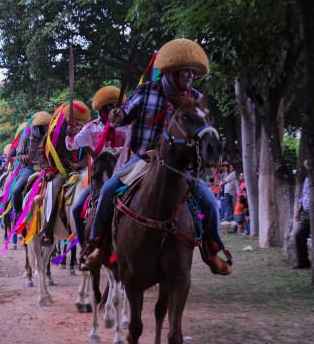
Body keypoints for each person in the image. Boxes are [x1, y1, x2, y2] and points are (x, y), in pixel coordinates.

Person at [86, 38, 228, 274]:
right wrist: (117, 117)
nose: (191, 77)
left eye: (194, 73)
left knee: (211, 203)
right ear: (172, 72)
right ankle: (97, 246)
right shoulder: (146, 90)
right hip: (143, 159)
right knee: (107, 192)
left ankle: (212, 251)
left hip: (180, 166)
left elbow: (204, 130)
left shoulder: (195, 98)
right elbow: (125, 115)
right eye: (187, 72)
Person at [65, 86, 128, 247]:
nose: (115, 110)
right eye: (111, 106)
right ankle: (85, 248)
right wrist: (70, 134)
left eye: (117, 106)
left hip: (124, 175)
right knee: (76, 209)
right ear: (103, 108)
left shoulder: (127, 126)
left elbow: (132, 146)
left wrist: (115, 151)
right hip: (98, 178)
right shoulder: (91, 127)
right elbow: (72, 145)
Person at [37, 101, 90, 246]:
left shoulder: (86, 132)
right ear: (67, 122)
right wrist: (48, 168)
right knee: (52, 192)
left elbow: (88, 154)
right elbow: (41, 152)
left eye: (80, 124)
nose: (78, 127)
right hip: (60, 171)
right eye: (75, 124)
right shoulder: (54, 133)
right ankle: (47, 231)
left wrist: (80, 163)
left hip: (81, 170)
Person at [10, 111, 52, 247]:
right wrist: (23, 158)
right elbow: (19, 154)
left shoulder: (51, 138)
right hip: (30, 169)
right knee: (16, 190)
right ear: (36, 127)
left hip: (47, 169)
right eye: (43, 127)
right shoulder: (26, 139)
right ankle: (18, 215)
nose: (45, 129)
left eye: (47, 126)